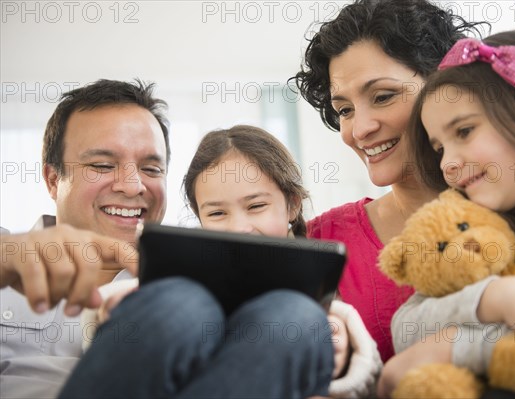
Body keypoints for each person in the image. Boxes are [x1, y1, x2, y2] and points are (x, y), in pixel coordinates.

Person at [58, 125, 381, 398]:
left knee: (293, 313)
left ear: (292, 205)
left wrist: (342, 354)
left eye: (256, 206)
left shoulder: (327, 302)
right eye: (217, 213)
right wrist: (122, 311)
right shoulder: (172, 290)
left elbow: (362, 374)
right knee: (179, 303)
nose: (239, 226)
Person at [378, 28, 515, 396]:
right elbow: (407, 326)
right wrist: (499, 297)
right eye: (438, 149)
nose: (447, 164)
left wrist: (452, 347)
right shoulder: (478, 224)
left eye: (463, 131)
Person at [293, 0, 485, 363]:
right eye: (344, 110)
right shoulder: (320, 244)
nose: (359, 129)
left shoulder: (514, 206)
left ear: (445, 86)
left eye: (382, 97)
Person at [0, 79, 171, 398]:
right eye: (103, 165)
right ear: (53, 180)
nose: (133, 186)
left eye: (151, 169)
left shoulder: (189, 285)